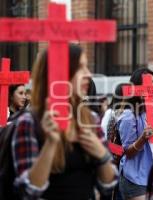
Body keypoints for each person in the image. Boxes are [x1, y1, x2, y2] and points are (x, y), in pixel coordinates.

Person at [11, 44, 118, 200]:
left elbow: (108, 185)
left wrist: (102, 155)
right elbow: (27, 191)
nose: (88, 74)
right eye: (80, 67)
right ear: (60, 74)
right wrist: (51, 144)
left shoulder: (90, 118)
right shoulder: (28, 122)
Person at [117, 68, 153, 200]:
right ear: (136, 88)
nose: (152, 87)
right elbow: (128, 152)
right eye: (147, 83)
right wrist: (142, 138)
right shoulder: (129, 116)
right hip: (136, 179)